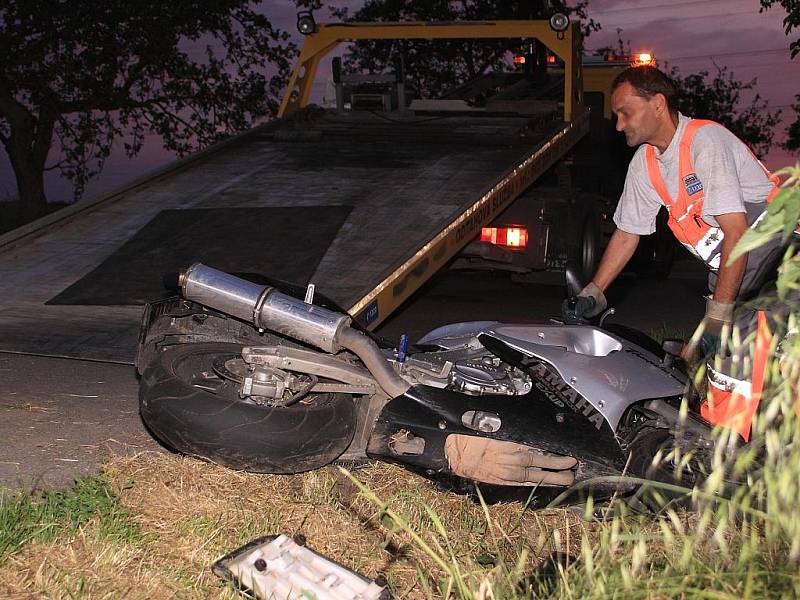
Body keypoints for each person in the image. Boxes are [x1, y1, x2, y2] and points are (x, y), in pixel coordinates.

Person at [566, 65, 786, 441]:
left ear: (657, 104)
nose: (618, 125)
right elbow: (627, 234)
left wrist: (717, 317)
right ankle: (727, 444)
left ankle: (726, 454)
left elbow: (737, 234)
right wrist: (593, 293)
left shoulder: (705, 142)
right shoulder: (646, 165)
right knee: (732, 355)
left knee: (734, 345)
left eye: (625, 112)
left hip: (779, 259)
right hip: (747, 268)